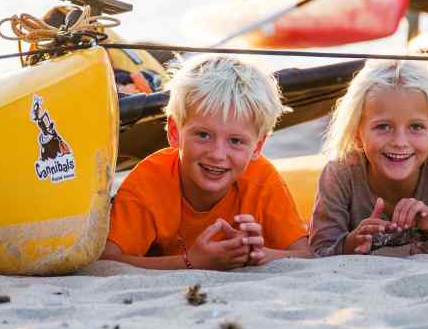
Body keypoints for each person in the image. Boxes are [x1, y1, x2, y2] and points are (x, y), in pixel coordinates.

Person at [101, 55, 311, 270]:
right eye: (203, 135)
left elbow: (304, 255)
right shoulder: (149, 181)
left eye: (235, 141)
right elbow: (106, 263)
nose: (218, 154)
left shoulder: (262, 179)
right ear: (174, 132)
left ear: (257, 146)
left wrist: (258, 254)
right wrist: (191, 262)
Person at [309, 59, 428, 257]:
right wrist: (350, 244)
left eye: (416, 127)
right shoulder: (341, 174)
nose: (399, 142)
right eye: (383, 127)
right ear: (357, 135)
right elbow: (318, 250)